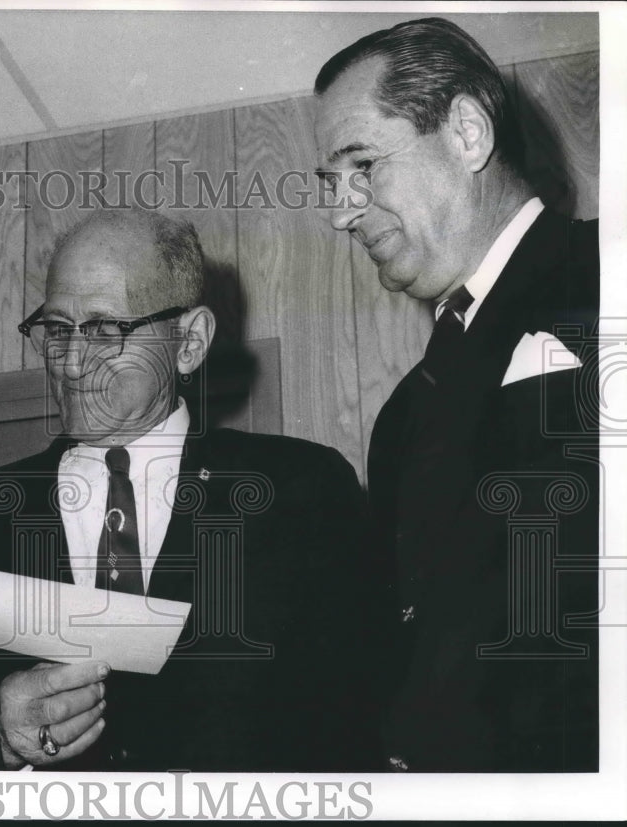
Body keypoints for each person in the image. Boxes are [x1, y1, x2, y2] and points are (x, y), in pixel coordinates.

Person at [0, 208, 378, 771]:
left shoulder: (300, 491)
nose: (72, 363)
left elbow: (361, 711)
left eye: (106, 330)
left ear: (188, 342)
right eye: (57, 330)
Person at [313, 18, 599, 771]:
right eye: (332, 184)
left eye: (363, 166)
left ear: (468, 132)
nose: (341, 212)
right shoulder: (402, 417)